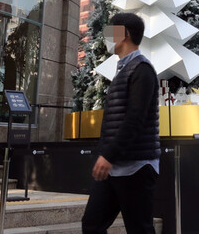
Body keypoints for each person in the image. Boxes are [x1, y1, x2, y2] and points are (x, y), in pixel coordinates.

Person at [81, 13, 160, 234]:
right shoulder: (124, 70)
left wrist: (108, 155)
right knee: (92, 224)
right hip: (114, 166)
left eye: (110, 32)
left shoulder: (142, 70)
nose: (107, 38)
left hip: (137, 166)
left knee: (139, 229)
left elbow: (135, 119)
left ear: (124, 34)